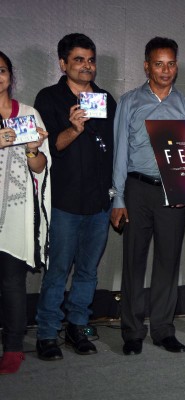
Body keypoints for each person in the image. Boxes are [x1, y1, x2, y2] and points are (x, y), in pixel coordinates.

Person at [111, 37, 185, 355]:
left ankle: (163, 329)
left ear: (177, 66)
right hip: (136, 190)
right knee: (133, 262)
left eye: (171, 63)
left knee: (168, 261)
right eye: (159, 64)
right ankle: (132, 331)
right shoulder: (129, 102)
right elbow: (120, 152)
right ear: (146, 66)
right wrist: (117, 198)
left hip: (172, 193)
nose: (165, 70)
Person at [34, 33, 115, 361]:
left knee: (87, 271)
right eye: (79, 60)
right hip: (64, 202)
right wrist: (74, 129)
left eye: (91, 60)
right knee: (57, 270)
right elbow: (49, 147)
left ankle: (78, 326)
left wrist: (115, 197)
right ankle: (46, 332)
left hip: (99, 202)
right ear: (62, 63)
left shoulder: (106, 99)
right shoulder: (49, 98)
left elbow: (112, 149)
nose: (86, 66)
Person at [0, 51, 50, 374]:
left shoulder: (29, 114)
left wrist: (33, 149)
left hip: (16, 211)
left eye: (2, 70)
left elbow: (41, 166)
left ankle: (13, 347)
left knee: (12, 282)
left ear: (10, 75)